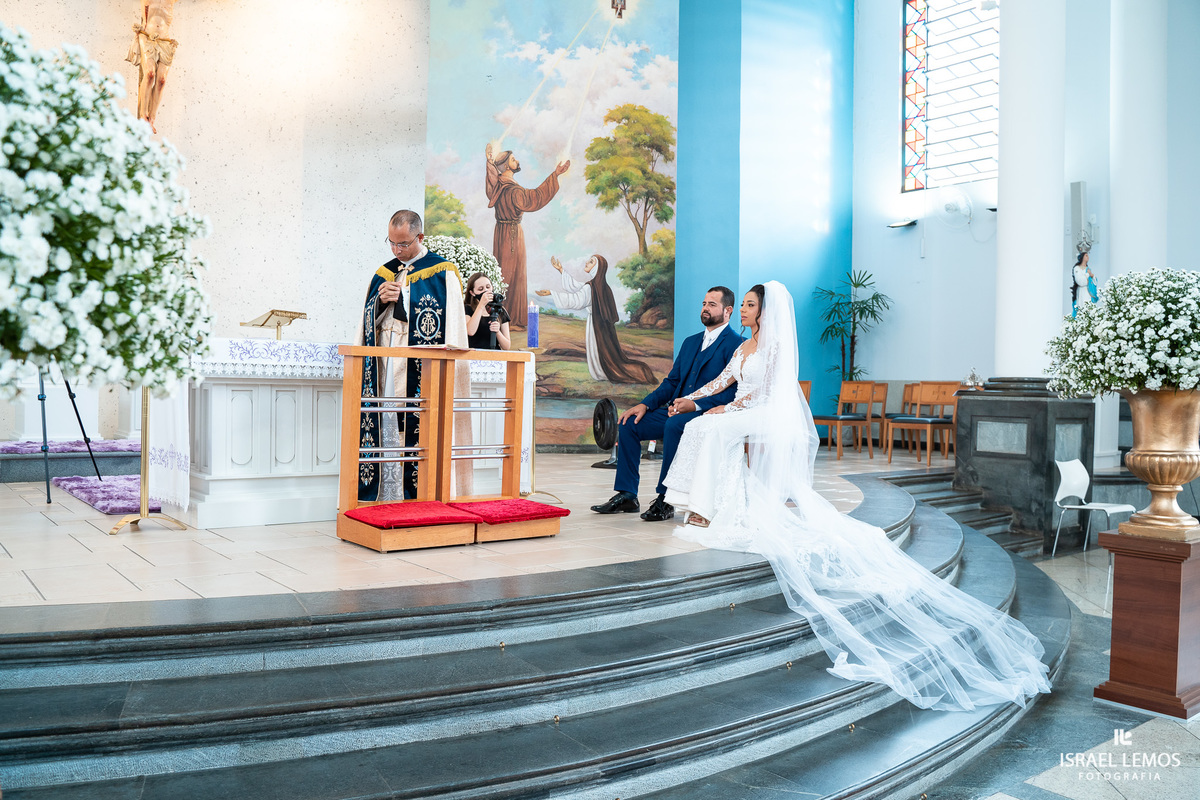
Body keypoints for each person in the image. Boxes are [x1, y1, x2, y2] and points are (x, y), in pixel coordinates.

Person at [663, 281, 1051, 712]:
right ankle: (700, 504)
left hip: (763, 413)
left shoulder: (774, 347)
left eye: (750, 306)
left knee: (716, 427)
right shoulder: (743, 347)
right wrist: (692, 401)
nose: (743, 311)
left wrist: (726, 408)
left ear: (764, 311)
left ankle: (705, 508)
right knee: (701, 425)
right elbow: (721, 381)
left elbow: (765, 394)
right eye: (744, 306)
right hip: (739, 410)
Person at [590, 287, 743, 522]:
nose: (705, 308)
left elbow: (732, 393)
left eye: (712, 304)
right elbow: (671, 382)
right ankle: (627, 494)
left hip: (706, 414)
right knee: (629, 423)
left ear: (728, 310)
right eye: (704, 303)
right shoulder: (690, 342)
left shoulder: (737, 345)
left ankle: (666, 499)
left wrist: (694, 405)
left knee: (674, 425)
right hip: (674, 411)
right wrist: (645, 405)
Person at [358, 210, 471, 501]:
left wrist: (405, 298)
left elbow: (449, 325)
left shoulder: (442, 272)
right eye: (392, 243)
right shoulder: (384, 272)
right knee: (386, 422)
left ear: (420, 237)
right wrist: (379, 302)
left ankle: (420, 497)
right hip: (386, 363)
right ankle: (385, 495)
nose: (396, 250)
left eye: (403, 244)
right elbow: (368, 322)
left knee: (417, 426)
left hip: (418, 366)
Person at [485, 142, 570, 329]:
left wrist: (489, 162)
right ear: (506, 166)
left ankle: (503, 317)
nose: (517, 161)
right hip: (512, 235)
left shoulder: (498, 186)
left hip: (501, 233)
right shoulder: (513, 190)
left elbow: (492, 180)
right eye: (513, 159)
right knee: (512, 274)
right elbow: (535, 197)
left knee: (504, 272)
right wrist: (555, 175)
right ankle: (511, 319)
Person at [535, 255, 656, 384]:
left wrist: (552, 293)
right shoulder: (601, 286)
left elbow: (577, 299)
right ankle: (603, 371)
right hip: (605, 327)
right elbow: (578, 287)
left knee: (598, 350)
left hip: (596, 325)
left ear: (597, 267)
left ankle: (602, 372)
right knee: (608, 352)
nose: (587, 263)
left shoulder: (591, 287)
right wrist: (561, 270)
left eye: (591, 262)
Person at [125, 0, 178, 134]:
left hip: (165, 40)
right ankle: (143, 114)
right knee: (150, 74)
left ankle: (152, 118)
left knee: (161, 80)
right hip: (148, 37)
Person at [465, 273, 511, 350]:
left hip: (495, 354)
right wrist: (481, 305)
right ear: (472, 292)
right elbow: (470, 331)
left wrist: (497, 332)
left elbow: (507, 346)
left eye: (488, 287)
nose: (486, 291)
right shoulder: (467, 308)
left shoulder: (499, 309)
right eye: (480, 289)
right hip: (475, 354)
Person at [1071, 251, 1098, 317]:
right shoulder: (1077, 268)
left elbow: (1093, 281)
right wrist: (1087, 274)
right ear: (1082, 257)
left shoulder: (1088, 269)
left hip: (1089, 292)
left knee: (1090, 309)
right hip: (1082, 291)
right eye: (1086, 255)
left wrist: (1092, 276)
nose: (1088, 257)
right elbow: (1079, 281)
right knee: (1082, 308)